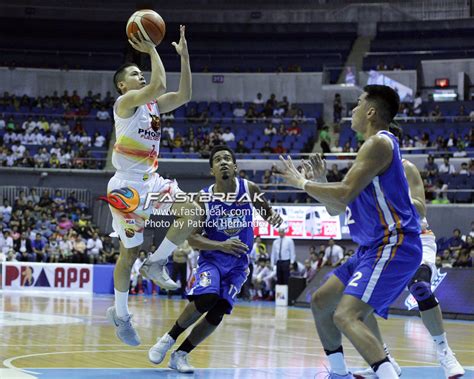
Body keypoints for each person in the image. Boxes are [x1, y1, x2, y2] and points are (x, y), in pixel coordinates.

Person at [277, 85, 422, 379]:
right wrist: (320, 181)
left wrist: (301, 183)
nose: (352, 110)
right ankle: (339, 374)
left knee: (346, 315)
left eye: (357, 104)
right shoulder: (367, 153)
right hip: (371, 248)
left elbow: (342, 194)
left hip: (394, 244)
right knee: (321, 302)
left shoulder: (379, 144)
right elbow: (337, 207)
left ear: (371, 112)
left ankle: (386, 372)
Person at [103, 25, 201, 347]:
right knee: (127, 256)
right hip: (127, 189)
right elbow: (158, 81)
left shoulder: (153, 106)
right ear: (122, 84)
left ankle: (157, 261)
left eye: (140, 72)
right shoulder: (125, 103)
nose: (140, 76)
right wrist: (152, 49)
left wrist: (185, 57)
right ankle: (121, 314)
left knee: (192, 212)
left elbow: (184, 95)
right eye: (134, 73)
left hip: (153, 181)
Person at [146, 145, 282, 373]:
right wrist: (222, 245)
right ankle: (169, 338)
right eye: (218, 160)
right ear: (212, 170)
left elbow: (268, 213)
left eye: (227, 158)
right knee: (207, 297)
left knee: (218, 310)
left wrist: (274, 218)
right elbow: (193, 239)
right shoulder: (203, 198)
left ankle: (180, 355)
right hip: (213, 260)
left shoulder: (250, 189)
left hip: (239, 264)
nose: (223, 162)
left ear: (235, 166)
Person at [352, 126, 465, 379]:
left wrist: (391, 196)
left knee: (420, 286)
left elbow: (421, 209)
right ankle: (384, 359)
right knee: (357, 303)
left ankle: (445, 353)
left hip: (417, 239)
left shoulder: (405, 168)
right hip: (385, 243)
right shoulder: (363, 174)